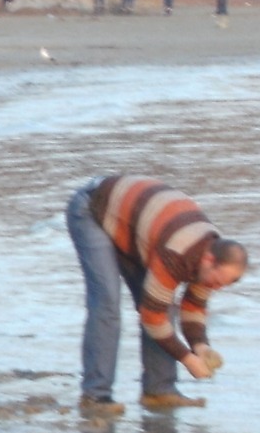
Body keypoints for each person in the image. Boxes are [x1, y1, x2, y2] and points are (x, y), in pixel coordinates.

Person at [65, 176, 248, 416]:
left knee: (163, 302)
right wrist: (188, 359)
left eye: (223, 285)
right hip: (93, 210)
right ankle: (96, 396)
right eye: (217, 282)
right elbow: (152, 318)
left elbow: (193, 307)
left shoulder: (212, 254)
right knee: (108, 303)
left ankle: (159, 390)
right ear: (209, 260)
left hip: (137, 228)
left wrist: (200, 347)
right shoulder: (178, 252)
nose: (217, 288)